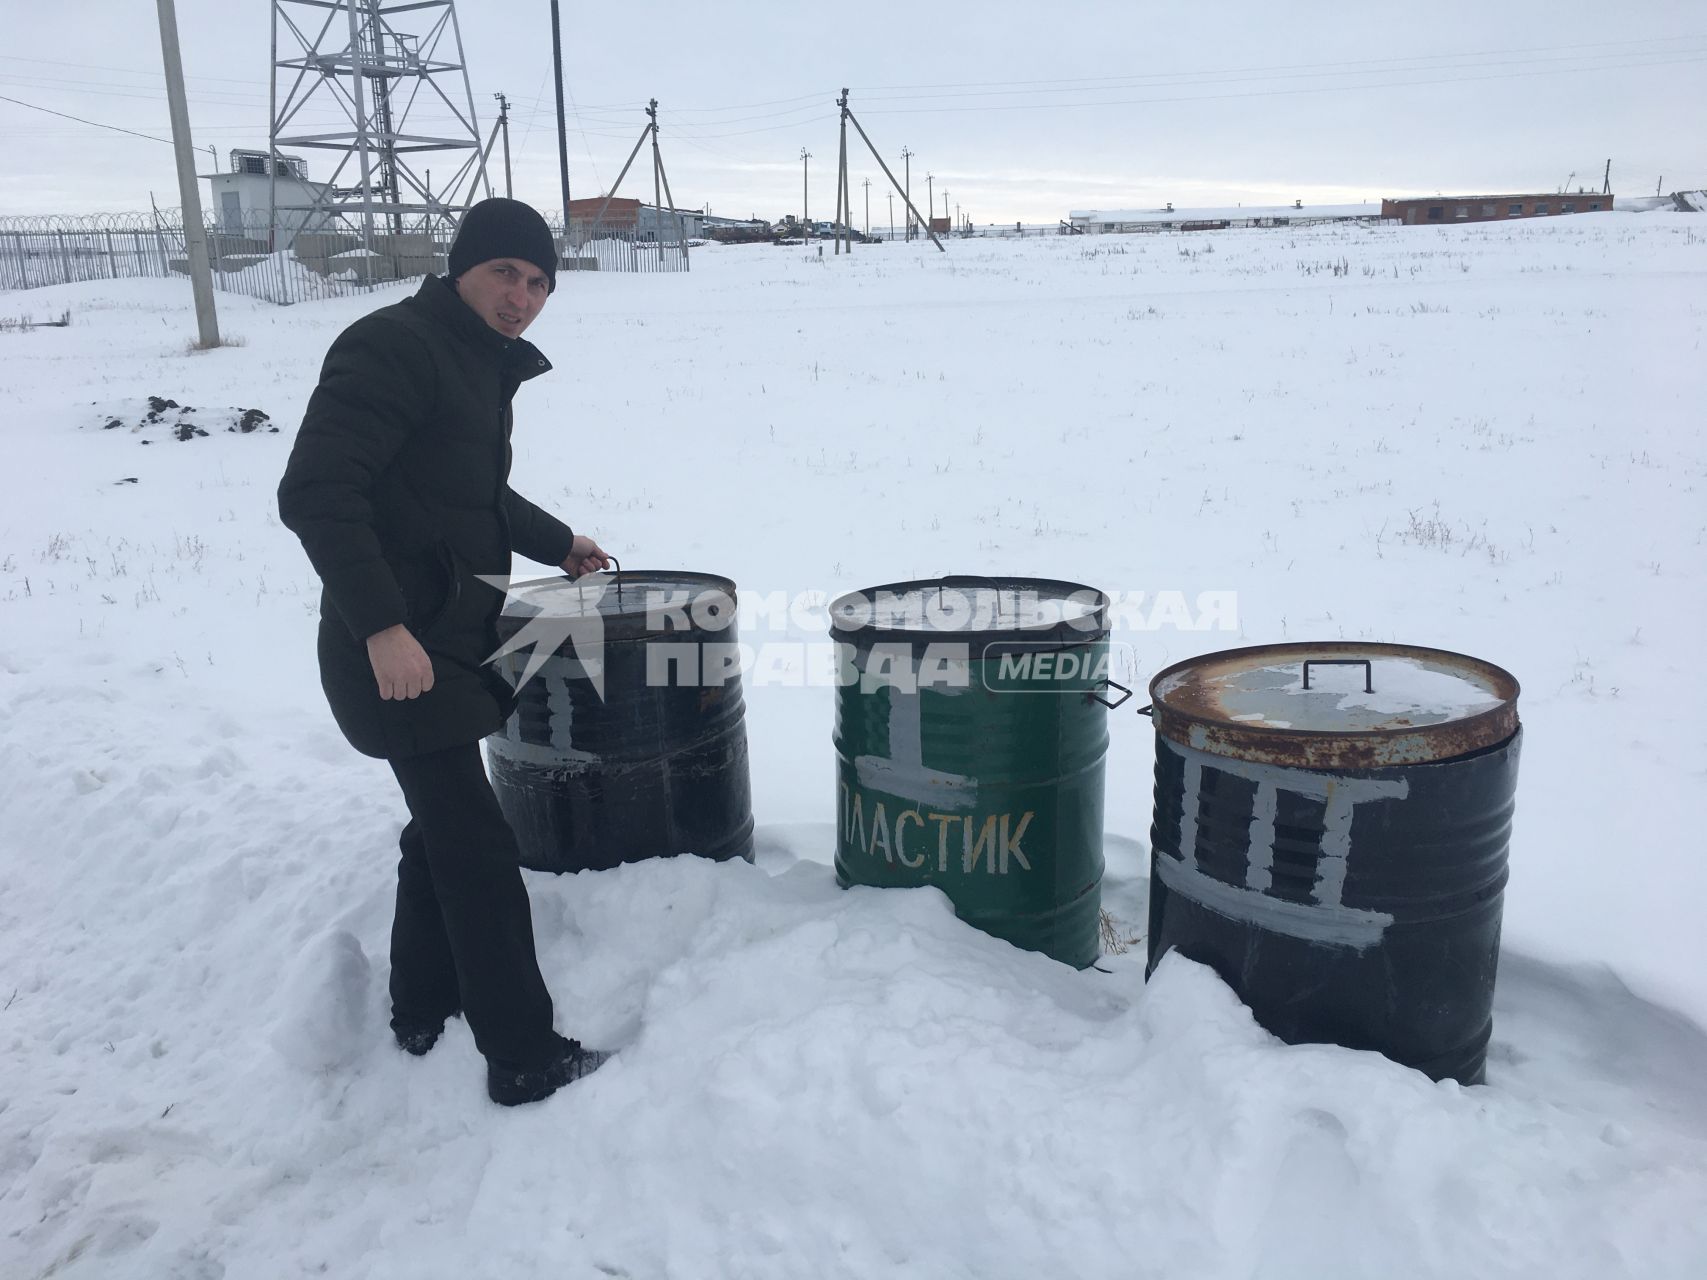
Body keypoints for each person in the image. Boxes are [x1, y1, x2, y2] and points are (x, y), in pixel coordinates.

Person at [277, 198, 611, 1106]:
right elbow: (314, 490)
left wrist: (558, 541)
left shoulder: (468, 361)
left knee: (442, 829)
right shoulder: (394, 345)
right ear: (460, 267)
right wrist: (380, 625)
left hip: (449, 637)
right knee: (474, 846)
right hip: (395, 648)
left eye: (539, 282)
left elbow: (470, 490)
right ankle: (523, 1054)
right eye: (505, 273)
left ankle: (421, 1003)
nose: (523, 297)